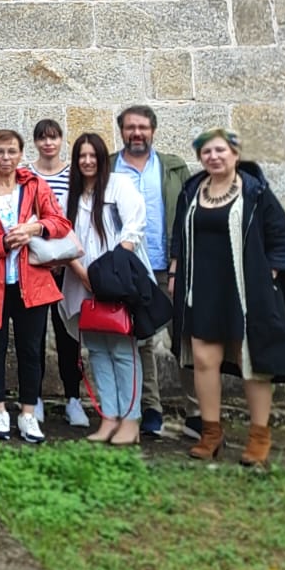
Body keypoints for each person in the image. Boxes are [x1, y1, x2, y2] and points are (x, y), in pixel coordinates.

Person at [170, 129, 285, 468]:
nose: (214, 156)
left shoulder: (255, 192)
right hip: (202, 288)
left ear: (235, 154)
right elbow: (179, 235)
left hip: (243, 290)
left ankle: (259, 437)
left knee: (251, 361)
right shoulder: (192, 191)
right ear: (200, 159)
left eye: (220, 150)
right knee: (204, 359)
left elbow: (281, 237)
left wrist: (267, 276)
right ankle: (211, 434)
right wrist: (173, 270)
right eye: (207, 151)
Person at [0, 129, 72, 445]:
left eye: (11, 152)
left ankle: (28, 413)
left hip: (30, 282)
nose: (5, 158)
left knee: (30, 350)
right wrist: (1, 242)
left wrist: (36, 226)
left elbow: (60, 223)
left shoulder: (34, 186)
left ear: (21, 154)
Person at [61, 132, 148, 446]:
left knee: (123, 350)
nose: (87, 161)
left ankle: (131, 418)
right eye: (81, 156)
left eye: (92, 155)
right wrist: (81, 272)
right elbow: (62, 234)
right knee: (96, 349)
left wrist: (109, 271)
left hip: (115, 281)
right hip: (81, 280)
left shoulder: (119, 185)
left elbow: (134, 224)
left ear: (101, 157)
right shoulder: (70, 195)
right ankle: (108, 416)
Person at [113, 104, 192, 438]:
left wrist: (179, 263)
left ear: (153, 131)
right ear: (122, 132)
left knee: (186, 340)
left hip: (171, 266)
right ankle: (150, 409)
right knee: (141, 341)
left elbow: (189, 215)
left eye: (143, 127)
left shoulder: (173, 167)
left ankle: (197, 412)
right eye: (130, 127)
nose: (137, 133)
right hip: (134, 270)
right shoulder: (109, 168)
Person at [31, 118, 86, 429]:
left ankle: (73, 398)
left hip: (67, 264)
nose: (48, 143)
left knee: (68, 334)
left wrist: (65, 258)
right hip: (37, 264)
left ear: (61, 140)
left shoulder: (73, 174)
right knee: (34, 335)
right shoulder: (28, 174)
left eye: (53, 137)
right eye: (42, 138)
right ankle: (34, 396)